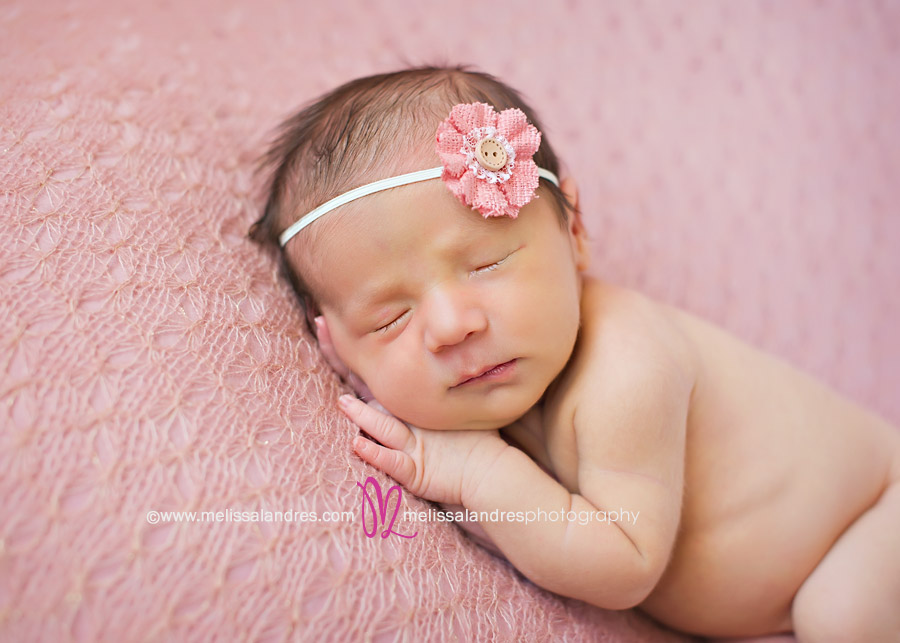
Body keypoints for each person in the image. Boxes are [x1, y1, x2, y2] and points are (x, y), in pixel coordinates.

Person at [248, 66, 900, 641]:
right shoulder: (461, 384)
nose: (450, 326)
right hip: (788, 589)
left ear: (574, 232)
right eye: (390, 317)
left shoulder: (625, 370)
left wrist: (475, 472)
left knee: (843, 614)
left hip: (877, 511)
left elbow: (624, 563)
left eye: (486, 263)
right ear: (333, 346)